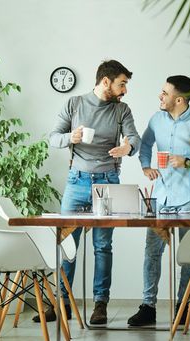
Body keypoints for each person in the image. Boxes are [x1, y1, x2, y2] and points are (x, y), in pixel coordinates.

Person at [33, 60, 141, 325]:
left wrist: (128, 149)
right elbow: (52, 137)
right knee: (67, 244)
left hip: (107, 181)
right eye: (122, 83)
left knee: (103, 246)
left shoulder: (121, 110)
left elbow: (134, 139)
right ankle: (62, 304)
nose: (125, 89)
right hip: (77, 180)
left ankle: (100, 305)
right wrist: (71, 137)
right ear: (106, 81)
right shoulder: (74, 104)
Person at [127, 75, 190, 327]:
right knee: (152, 253)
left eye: (164, 93)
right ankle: (148, 307)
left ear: (178, 99)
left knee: (187, 257)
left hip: (189, 199)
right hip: (160, 197)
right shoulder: (157, 120)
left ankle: (183, 307)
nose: (160, 96)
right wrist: (146, 166)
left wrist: (187, 161)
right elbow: (145, 145)